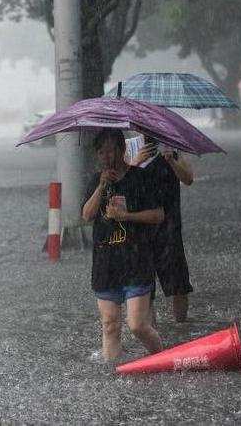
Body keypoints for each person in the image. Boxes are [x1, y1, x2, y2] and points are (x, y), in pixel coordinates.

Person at [82, 129, 165, 361]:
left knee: (137, 325)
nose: (106, 156)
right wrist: (101, 187)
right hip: (106, 264)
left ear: (122, 149)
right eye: (101, 152)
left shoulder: (141, 177)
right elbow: (87, 215)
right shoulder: (96, 181)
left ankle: (163, 360)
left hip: (137, 261)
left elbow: (158, 215)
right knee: (110, 325)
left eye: (110, 150)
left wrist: (126, 216)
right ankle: (113, 377)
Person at [131, 136, 194, 323]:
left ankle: (181, 327)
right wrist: (135, 163)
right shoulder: (130, 147)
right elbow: (121, 183)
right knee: (145, 285)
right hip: (140, 225)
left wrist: (172, 161)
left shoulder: (173, 145)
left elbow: (188, 179)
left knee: (178, 281)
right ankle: (152, 331)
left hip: (169, 225)